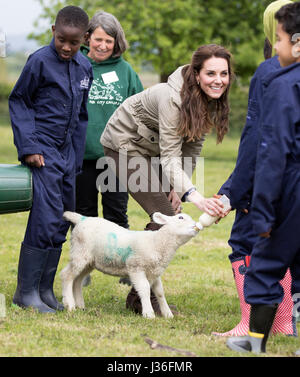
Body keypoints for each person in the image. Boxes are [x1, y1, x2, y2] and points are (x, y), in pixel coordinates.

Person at [100, 44, 233, 314]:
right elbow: (171, 155)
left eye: (224, 73)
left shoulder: (211, 101)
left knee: (169, 209)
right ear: (196, 74)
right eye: (211, 73)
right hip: (124, 144)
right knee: (164, 212)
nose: (218, 80)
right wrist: (194, 196)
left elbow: (192, 147)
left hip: (153, 151)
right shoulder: (173, 99)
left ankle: (139, 293)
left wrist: (178, 187)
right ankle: (140, 299)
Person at [214, 0, 296, 338]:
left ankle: (253, 326)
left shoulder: (270, 73)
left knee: (247, 245)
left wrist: (236, 191)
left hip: (277, 182)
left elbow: (258, 142)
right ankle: (283, 325)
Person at [9, 6, 93, 313]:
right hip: (42, 149)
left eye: (74, 42)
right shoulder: (39, 62)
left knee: (63, 219)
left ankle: (45, 291)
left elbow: (82, 116)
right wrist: (29, 146)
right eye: (61, 40)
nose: (67, 47)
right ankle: (25, 292)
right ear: (53, 31)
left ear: (85, 38)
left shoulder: (85, 66)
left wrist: (77, 159)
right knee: (44, 218)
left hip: (68, 154)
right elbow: (19, 101)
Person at [76, 11, 143, 227]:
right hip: (81, 156)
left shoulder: (126, 71)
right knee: (84, 218)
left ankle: (117, 261)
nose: (103, 46)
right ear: (88, 38)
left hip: (116, 157)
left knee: (116, 215)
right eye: (98, 39)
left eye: (109, 41)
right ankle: (87, 261)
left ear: (116, 43)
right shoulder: (76, 65)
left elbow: (141, 112)